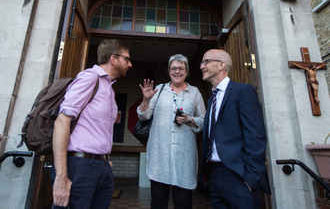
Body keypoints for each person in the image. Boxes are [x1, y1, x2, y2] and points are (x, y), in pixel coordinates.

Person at [52, 39, 132, 209]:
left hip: (100, 167)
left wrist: (106, 160)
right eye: (127, 59)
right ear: (113, 59)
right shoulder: (90, 78)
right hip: (80, 166)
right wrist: (61, 177)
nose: (130, 64)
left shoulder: (108, 86)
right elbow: (61, 122)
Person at [199, 49, 271, 209]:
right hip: (215, 174)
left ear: (221, 65)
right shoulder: (211, 99)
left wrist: (251, 178)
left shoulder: (243, 91)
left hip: (238, 175)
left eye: (206, 62)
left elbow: (256, 136)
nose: (201, 66)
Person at [137, 54, 206, 209]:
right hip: (160, 158)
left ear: (187, 71)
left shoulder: (194, 93)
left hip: (184, 159)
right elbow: (143, 116)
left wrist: (189, 120)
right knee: (158, 203)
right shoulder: (159, 90)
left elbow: (204, 121)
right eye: (174, 68)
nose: (177, 72)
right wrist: (146, 101)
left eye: (181, 68)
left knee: (183, 204)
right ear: (168, 71)